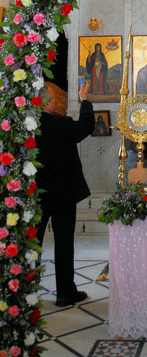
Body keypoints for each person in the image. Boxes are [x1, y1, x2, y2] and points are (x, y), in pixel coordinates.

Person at [36, 81, 94, 307]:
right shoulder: (61, 124)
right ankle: (65, 292)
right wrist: (85, 99)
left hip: (36, 195)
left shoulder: (26, 127)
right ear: (49, 101)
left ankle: (26, 290)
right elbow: (86, 127)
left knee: (32, 244)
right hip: (63, 194)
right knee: (63, 243)